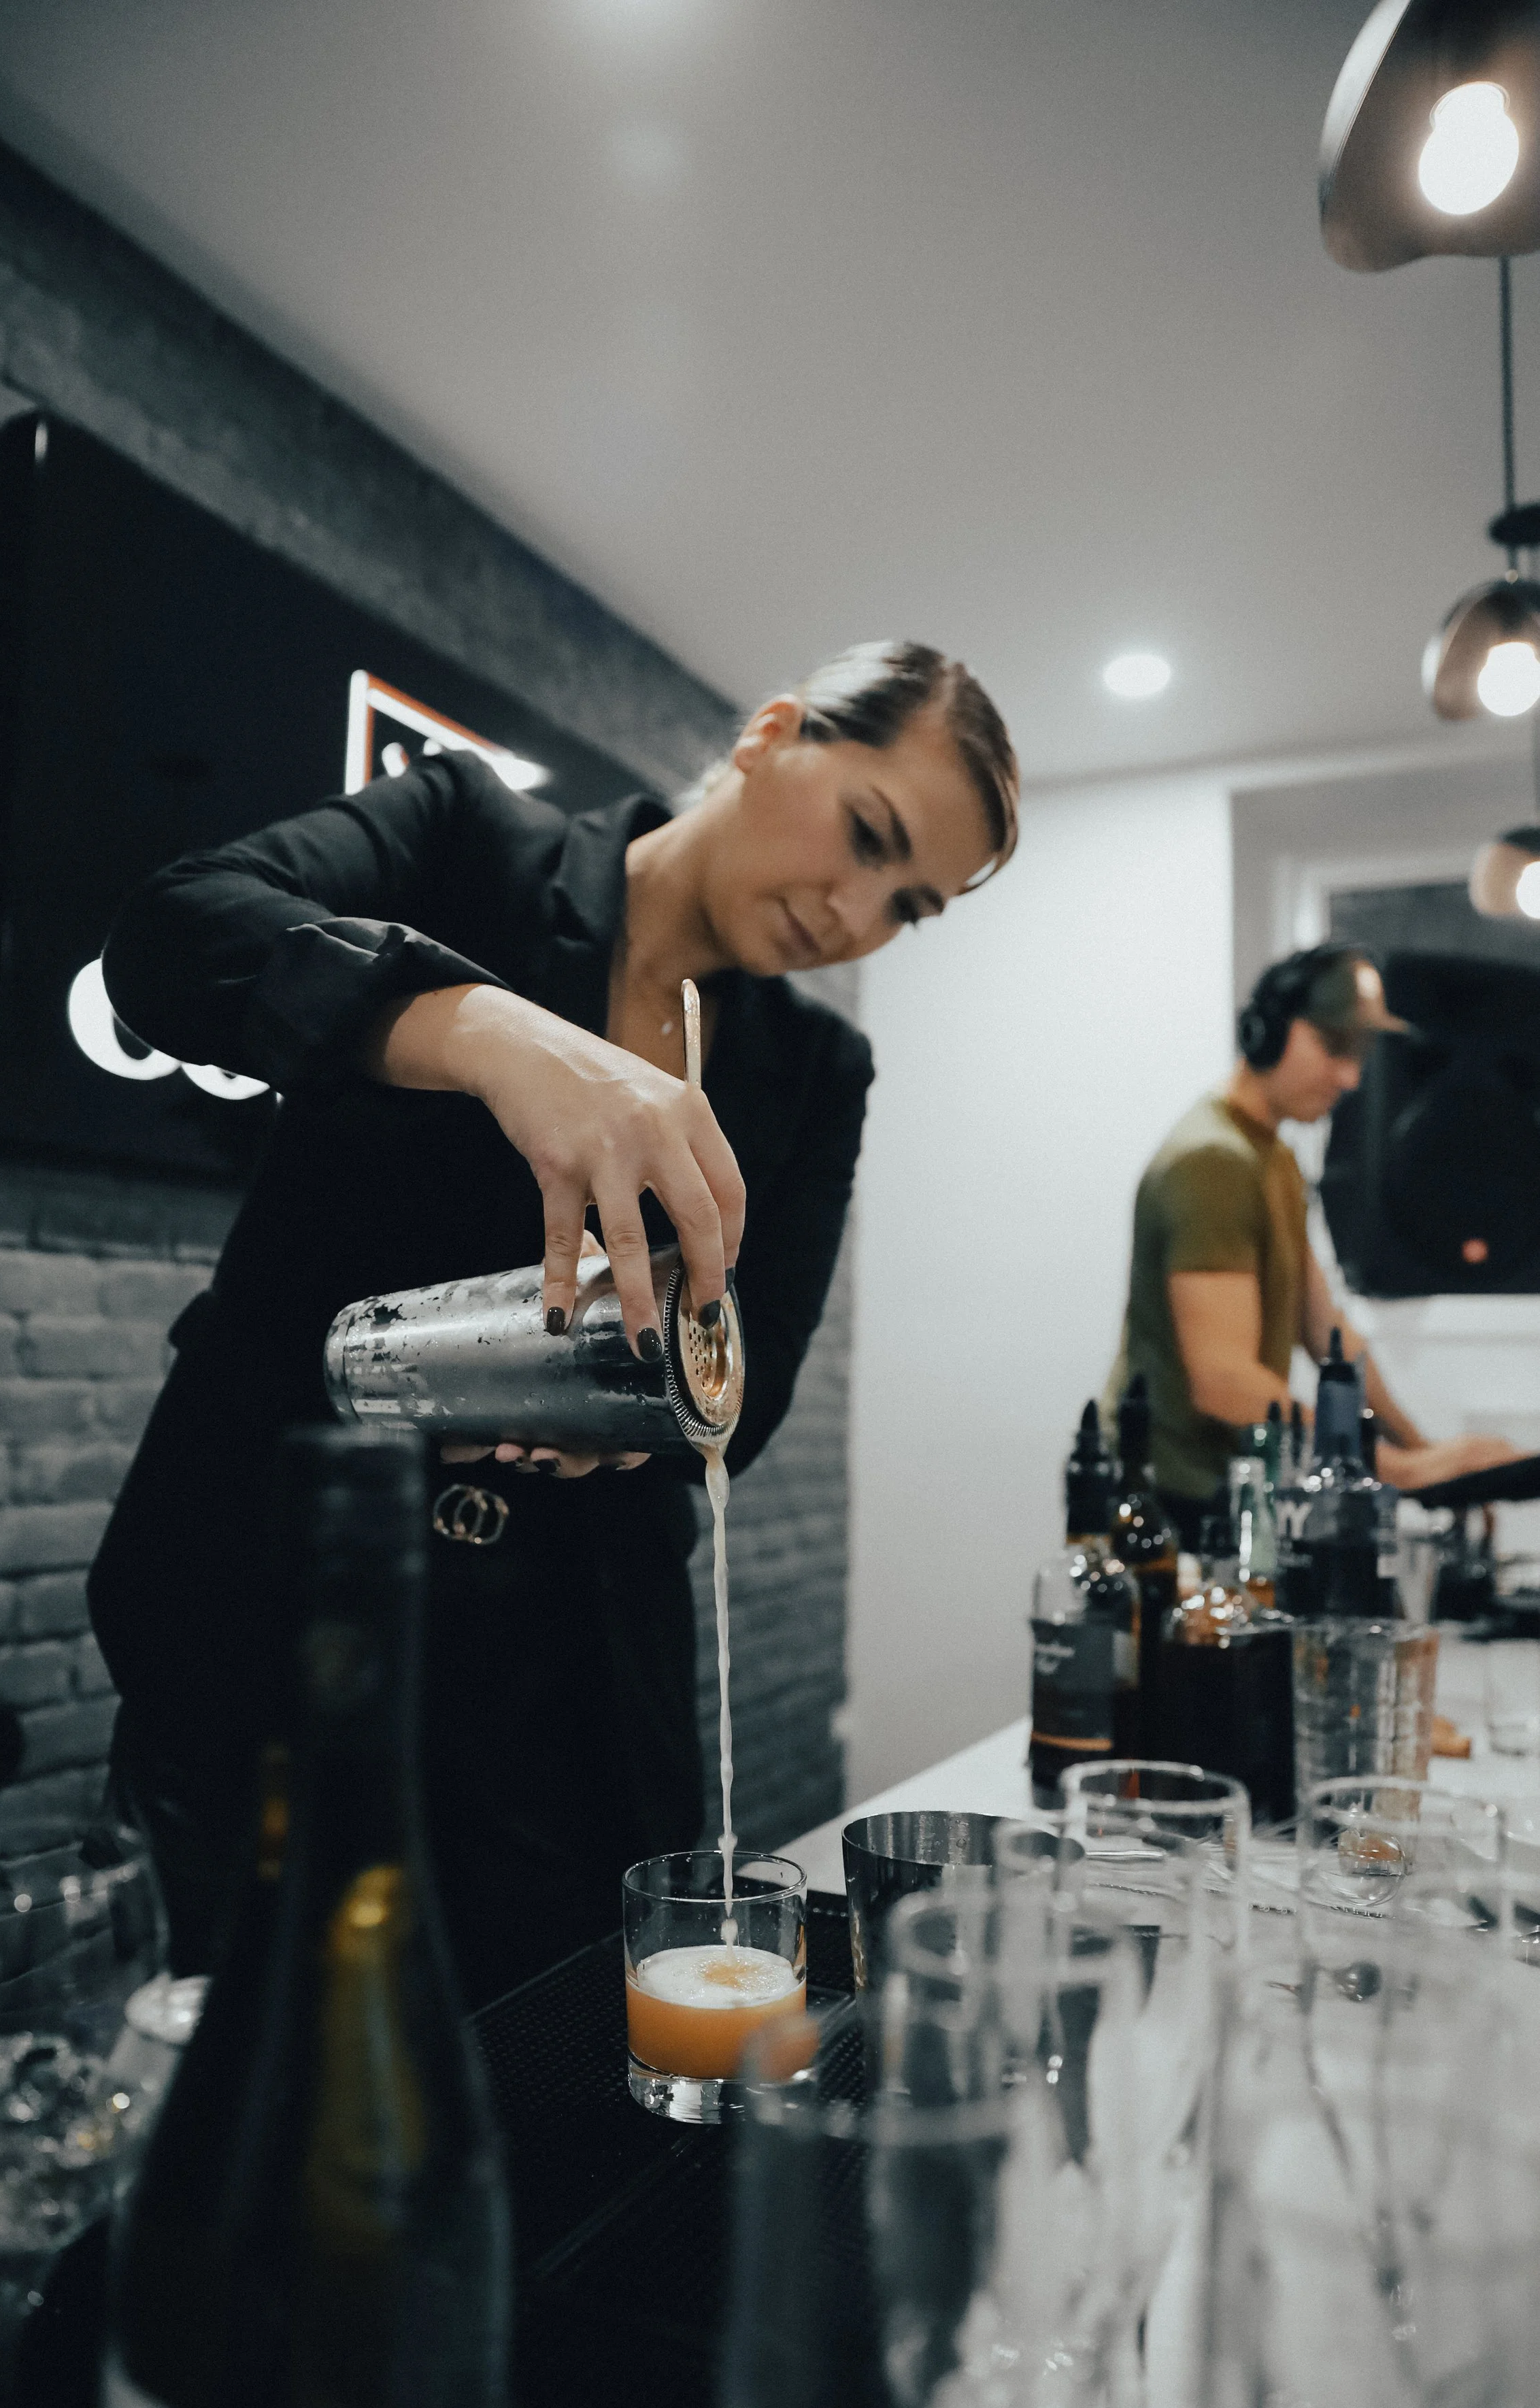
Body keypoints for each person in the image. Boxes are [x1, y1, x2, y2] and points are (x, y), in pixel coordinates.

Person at [88, 640, 1018, 1996]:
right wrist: (486, 1032)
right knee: (262, 2105)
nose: (855, 909)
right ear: (771, 734)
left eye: (909, 904)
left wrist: (638, 1401)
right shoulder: (466, 837)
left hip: (568, 1672)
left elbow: (739, 1391)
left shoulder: (816, 1067)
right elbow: (169, 943)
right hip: (278, 1596)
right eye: (866, 835)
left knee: (563, 2099)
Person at [1105, 942, 1516, 1543]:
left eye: (1363, 1051)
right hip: (1167, 1495)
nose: (1351, 1077)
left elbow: (1328, 1333)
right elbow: (1223, 1380)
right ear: (1268, 1031)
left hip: (1224, 1484)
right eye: (1335, 1046)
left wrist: (1428, 1458)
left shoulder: (1270, 1155)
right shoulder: (1212, 1163)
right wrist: (1391, 1468)